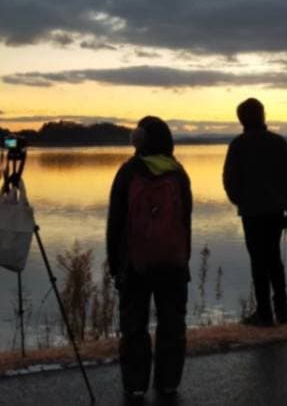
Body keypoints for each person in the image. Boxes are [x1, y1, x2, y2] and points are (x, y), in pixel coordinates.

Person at [106, 116, 192, 400]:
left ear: (139, 140)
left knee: (134, 325)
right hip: (173, 262)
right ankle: (168, 382)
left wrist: (114, 263)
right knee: (172, 323)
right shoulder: (178, 173)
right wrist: (184, 259)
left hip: (134, 264)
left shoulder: (129, 171)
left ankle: (135, 384)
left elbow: (115, 222)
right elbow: (184, 220)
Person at [223, 98, 287, 326]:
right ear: (262, 115)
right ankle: (282, 312)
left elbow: (229, 180)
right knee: (274, 260)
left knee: (258, 262)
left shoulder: (238, 144)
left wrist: (240, 201)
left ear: (241, 119)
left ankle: (265, 314)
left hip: (251, 213)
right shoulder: (278, 142)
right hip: (275, 211)